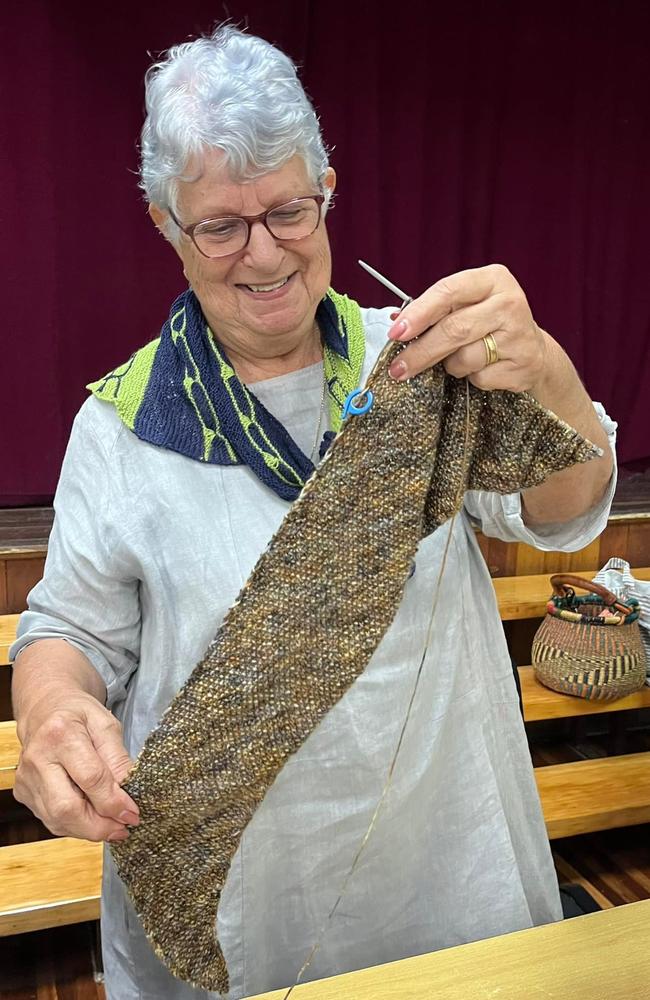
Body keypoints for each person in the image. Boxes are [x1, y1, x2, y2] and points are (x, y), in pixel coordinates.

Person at [11, 24, 616, 1000]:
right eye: (219, 225)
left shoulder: (420, 359)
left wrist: (542, 364)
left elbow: (565, 510)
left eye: (287, 210)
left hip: (444, 873)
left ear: (326, 185)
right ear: (165, 222)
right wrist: (53, 710)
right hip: (241, 894)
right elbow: (69, 627)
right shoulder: (121, 427)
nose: (261, 252)